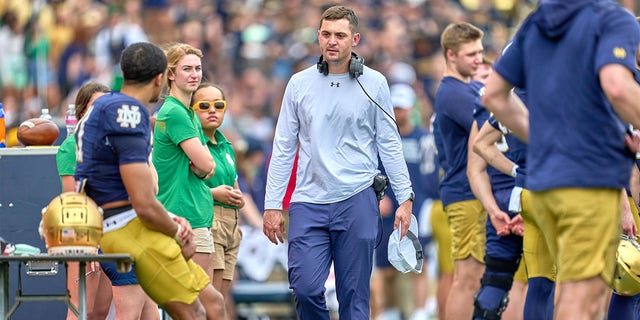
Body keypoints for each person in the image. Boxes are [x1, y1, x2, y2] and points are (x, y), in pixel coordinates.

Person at [482, 1, 640, 318]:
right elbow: (617, 87)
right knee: (584, 300)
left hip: (540, 186)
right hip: (588, 181)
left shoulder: (536, 22)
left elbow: (493, 95)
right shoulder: (613, 19)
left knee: (565, 290)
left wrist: (544, 138)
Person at [262, 6, 414, 319]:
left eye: (341, 35)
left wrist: (405, 196)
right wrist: (272, 204)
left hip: (357, 199)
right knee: (304, 288)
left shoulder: (374, 84)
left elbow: (389, 142)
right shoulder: (299, 84)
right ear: (318, 37)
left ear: (354, 39)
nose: (333, 41)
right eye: (327, 34)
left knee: (354, 297)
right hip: (308, 201)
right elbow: (283, 147)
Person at [74, 42, 225, 319]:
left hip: (108, 224)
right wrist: (174, 229)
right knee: (211, 305)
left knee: (166, 312)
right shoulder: (130, 113)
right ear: (160, 78)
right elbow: (142, 201)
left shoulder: (103, 105)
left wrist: (167, 216)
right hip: (126, 227)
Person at [473, 98, 556, 320]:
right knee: (556, 282)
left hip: (513, 201)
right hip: (549, 193)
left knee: (508, 282)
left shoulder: (501, 100)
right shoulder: (553, 87)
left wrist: (518, 174)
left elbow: (477, 159)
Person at [432, 22, 486, 320]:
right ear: (451, 55)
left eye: (480, 52)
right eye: (471, 54)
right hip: (465, 193)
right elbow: (497, 125)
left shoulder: (471, 87)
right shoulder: (452, 93)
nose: (479, 59)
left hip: (475, 192)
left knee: (478, 278)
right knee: (467, 278)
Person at [372, 83, 439, 320]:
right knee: (385, 268)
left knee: (417, 265)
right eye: (396, 107)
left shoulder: (424, 140)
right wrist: (376, 199)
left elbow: (432, 177)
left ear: (412, 108)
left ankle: (419, 313)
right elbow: (370, 172)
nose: (399, 112)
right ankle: (388, 312)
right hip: (387, 210)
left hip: (417, 209)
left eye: (403, 107)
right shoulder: (379, 139)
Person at [467, 59, 528, 320]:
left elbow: (475, 169)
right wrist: (518, 173)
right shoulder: (539, 98)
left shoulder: (484, 111)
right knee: (545, 283)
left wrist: (493, 210)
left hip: (501, 204)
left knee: (494, 283)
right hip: (534, 198)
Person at [153, 43, 218, 281]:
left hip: (192, 212)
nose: (195, 75)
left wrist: (204, 168)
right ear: (171, 74)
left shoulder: (187, 112)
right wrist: (204, 167)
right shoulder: (175, 112)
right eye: (187, 69)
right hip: (186, 215)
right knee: (199, 303)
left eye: (198, 69)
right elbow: (208, 164)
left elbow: (205, 167)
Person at [56, 81, 114, 320]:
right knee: (82, 310)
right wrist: (88, 243)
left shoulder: (112, 145)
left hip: (111, 232)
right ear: (81, 111)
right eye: (95, 106)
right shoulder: (71, 146)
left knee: (100, 311)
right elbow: (73, 200)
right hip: (83, 234)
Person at [192, 83, 245, 303]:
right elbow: (182, 185)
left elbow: (234, 184)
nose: (212, 110)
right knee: (209, 302)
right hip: (210, 220)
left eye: (218, 105)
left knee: (221, 301)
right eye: (204, 106)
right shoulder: (192, 144)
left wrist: (238, 197)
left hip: (232, 224)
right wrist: (214, 193)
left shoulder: (227, 145)